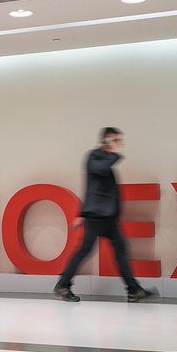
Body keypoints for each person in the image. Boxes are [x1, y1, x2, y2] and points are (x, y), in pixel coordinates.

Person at [54, 127, 154, 303]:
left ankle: (134, 290)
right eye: (115, 140)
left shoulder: (104, 158)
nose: (119, 144)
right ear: (106, 140)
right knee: (84, 250)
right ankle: (62, 285)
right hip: (96, 216)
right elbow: (100, 171)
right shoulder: (94, 156)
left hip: (108, 217)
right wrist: (112, 153)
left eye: (118, 140)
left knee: (120, 251)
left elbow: (93, 187)